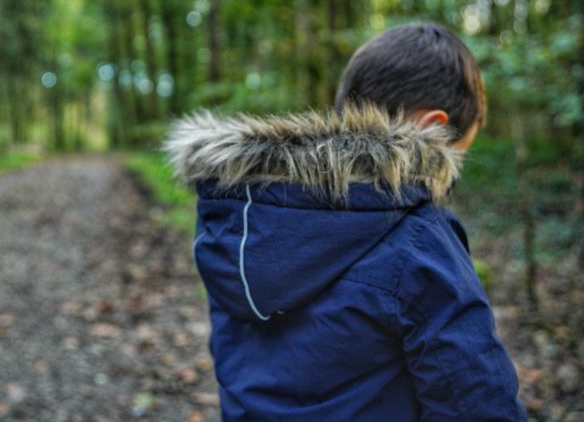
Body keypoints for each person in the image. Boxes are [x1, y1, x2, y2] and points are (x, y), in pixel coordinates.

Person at [165, 23, 526, 421]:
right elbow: (478, 404)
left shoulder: (239, 215)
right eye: (457, 156)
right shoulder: (420, 238)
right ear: (433, 129)